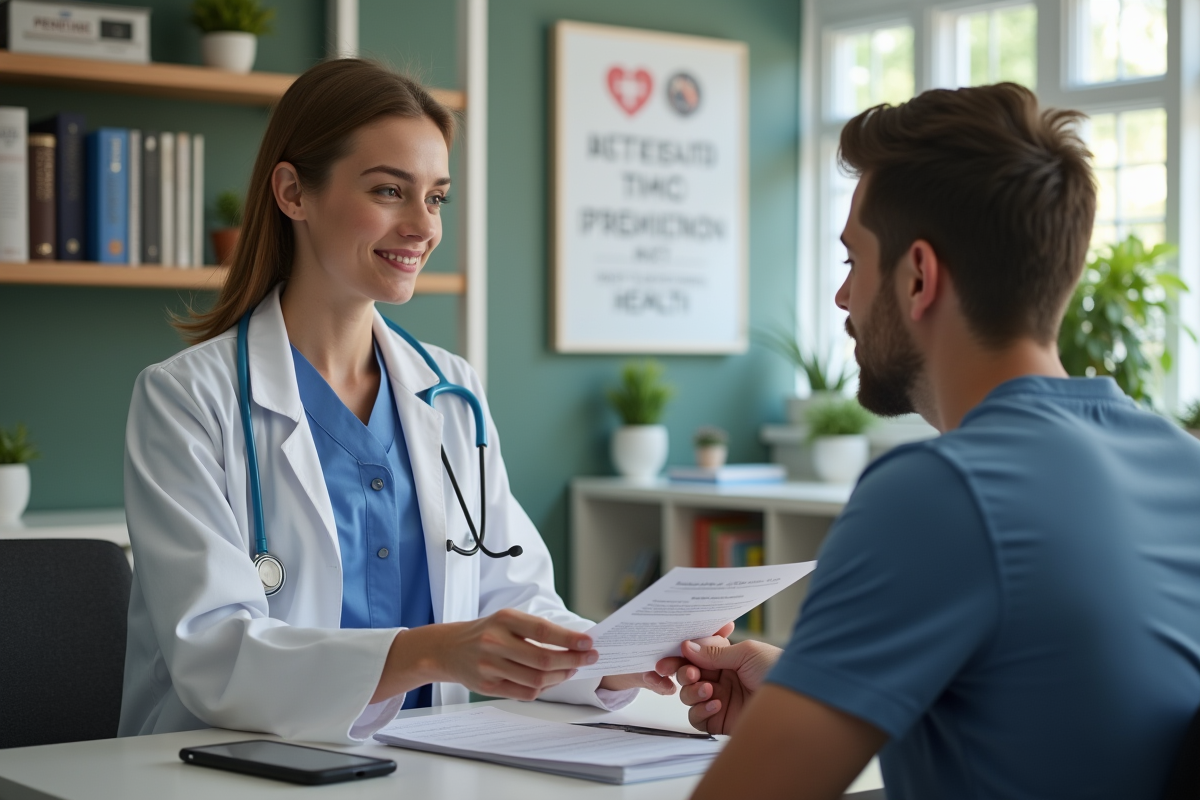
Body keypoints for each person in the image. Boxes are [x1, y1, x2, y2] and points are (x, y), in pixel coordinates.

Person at [657, 83, 1200, 799]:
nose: (842, 299)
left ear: (918, 276)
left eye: (853, 261)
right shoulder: (1179, 463)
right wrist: (809, 683)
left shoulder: (940, 492)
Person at [120, 59, 675, 745]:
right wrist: (432, 651)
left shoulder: (451, 393)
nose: (422, 227)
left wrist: (622, 661)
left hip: (418, 767)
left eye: (436, 198)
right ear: (293, 192)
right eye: (390, 191)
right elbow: (215, 652)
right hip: (231, 769)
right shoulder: (186, 400)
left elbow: (515, 600)